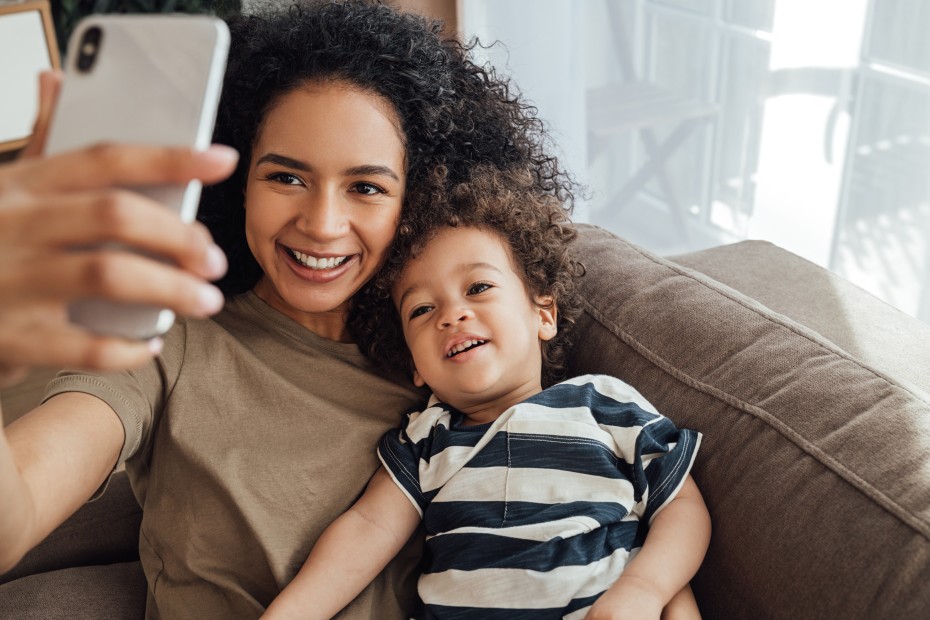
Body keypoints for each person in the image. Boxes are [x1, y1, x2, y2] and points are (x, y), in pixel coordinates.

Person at [0, 2, 575, 618]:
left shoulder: (449, 352)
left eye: (367, 187)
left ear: (417, 200)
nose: (322, 225)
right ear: (238, 180)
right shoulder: (164, 342)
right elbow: (19, 511)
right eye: (286, 178)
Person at [263, 166, 711, 619]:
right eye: (421, 309)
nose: (452, 314)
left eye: (478, 287)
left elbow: (681, 509)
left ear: (543, 314)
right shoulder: (427, 440)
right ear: (415, 365)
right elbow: (367, 529)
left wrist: (645, 589)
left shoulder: (602, 405)